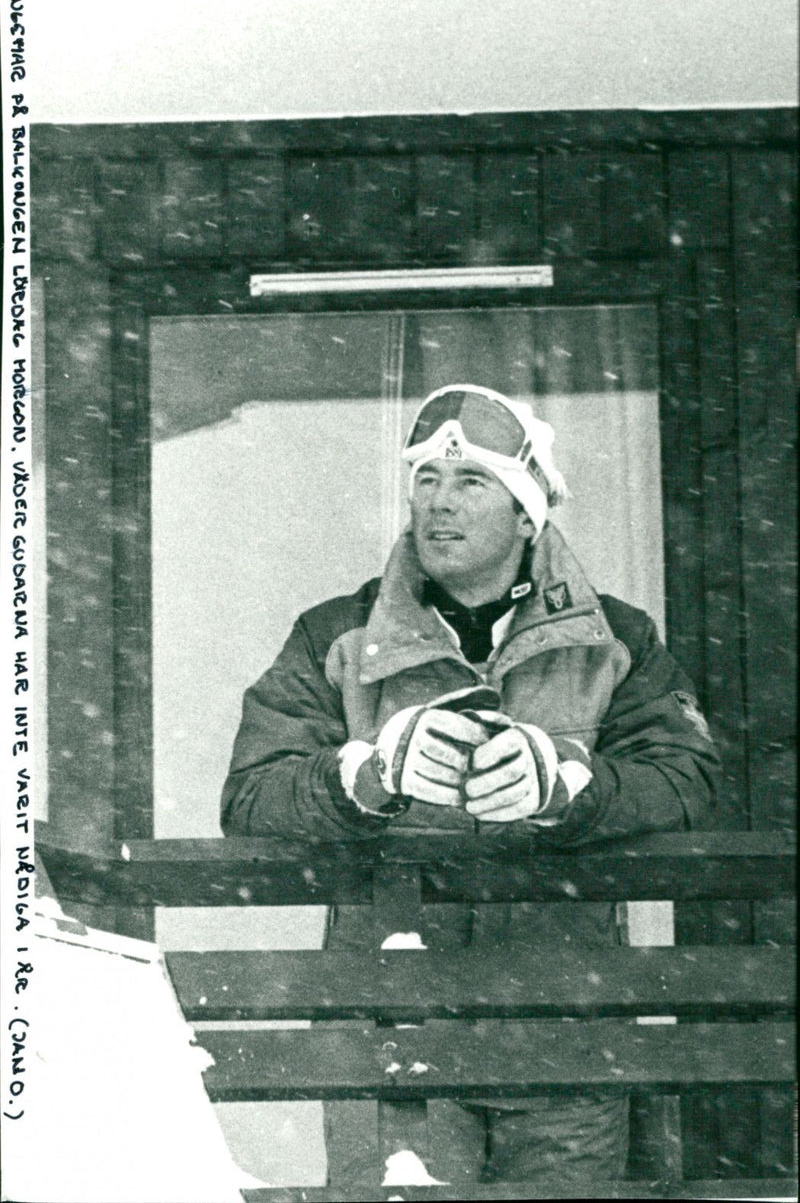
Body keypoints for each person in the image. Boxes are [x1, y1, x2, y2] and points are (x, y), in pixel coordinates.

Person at [222, 382, 720, 1189]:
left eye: (471, 482)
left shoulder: (617, 640)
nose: (438, 505)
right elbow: (250, 798)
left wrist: (567, 788)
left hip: (564, 1028)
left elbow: (687, 778)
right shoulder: (335, 635)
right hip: (391, 1026)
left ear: (528, 514)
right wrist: (367, 776)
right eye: (425, 481)